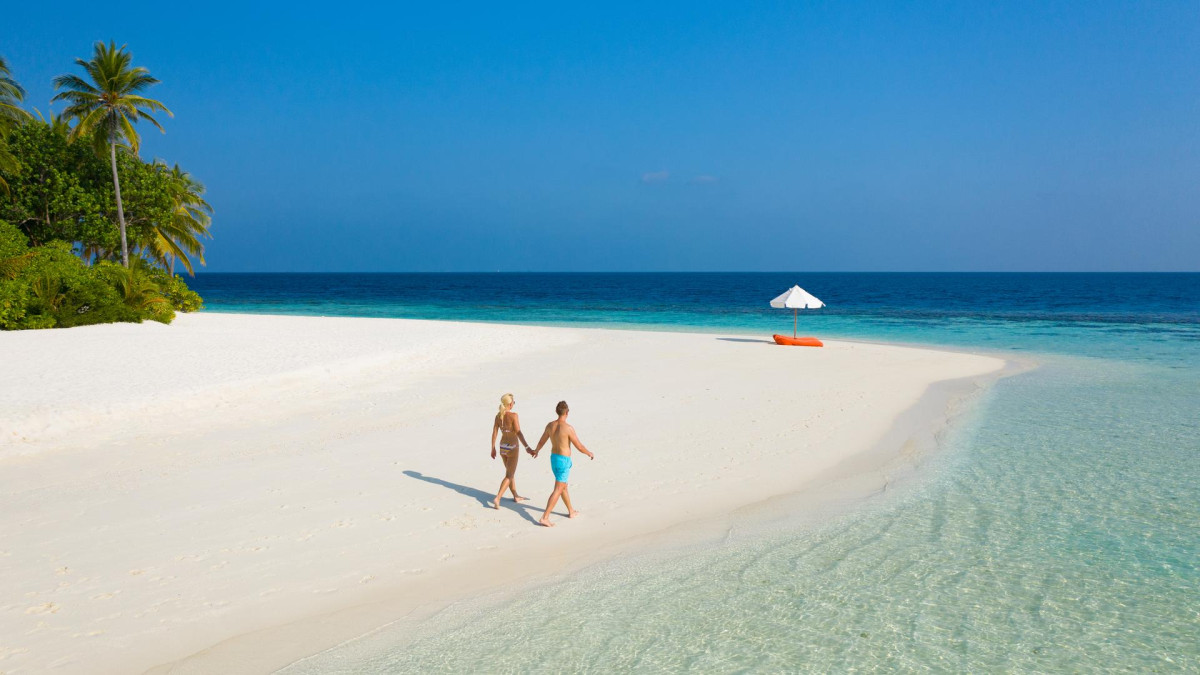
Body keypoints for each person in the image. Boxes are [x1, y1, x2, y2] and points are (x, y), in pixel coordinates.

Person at [530, 400, 594, 527]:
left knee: (563, 485)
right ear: (567, 412)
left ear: (557, 412)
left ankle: (571, 511)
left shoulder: (550, 425)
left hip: (554, 459)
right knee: (558, 488)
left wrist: (536, 450)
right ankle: (545, 517)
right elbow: (579, 446)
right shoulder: (568, 428)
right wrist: (589, 453)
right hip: (563, 461)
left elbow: (542, 441)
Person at [490, 393, 532, 509]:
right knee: (509, 475)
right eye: (513, 402)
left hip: (503, 447)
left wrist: (493, 448)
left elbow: (494, 433)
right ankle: (498, 498)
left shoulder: (498, 416)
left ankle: (515, 495)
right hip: (512, 447)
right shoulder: (514, 416)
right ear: (509, 404)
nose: (514, 403)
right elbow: (518, 432)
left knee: (510, 472)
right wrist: (527, 447)